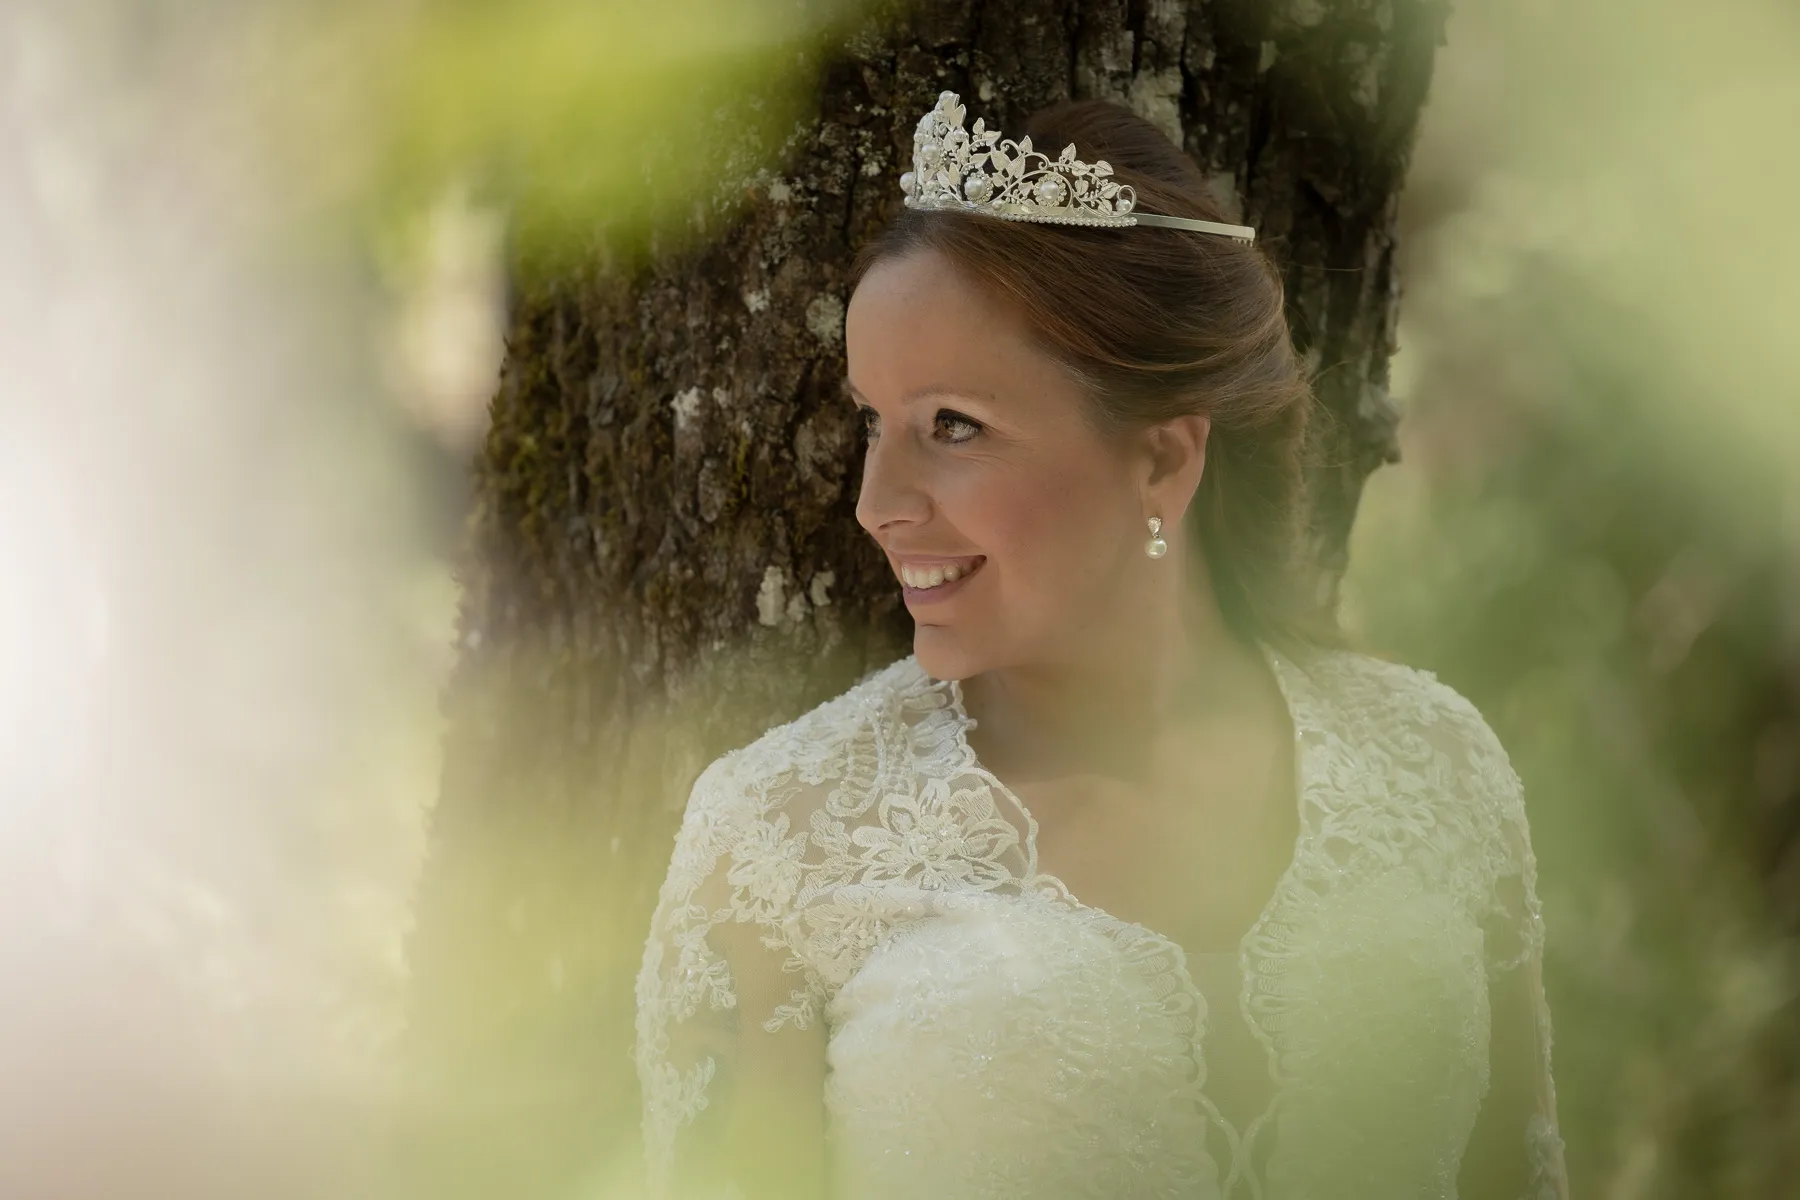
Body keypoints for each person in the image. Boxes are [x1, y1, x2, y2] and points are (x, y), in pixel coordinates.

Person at [634, 91, 1568, 1200]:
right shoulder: (777, 835)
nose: (876, 502)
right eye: (873, 424)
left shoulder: (1435, 764)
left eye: (954, 428)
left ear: (1165, 460)